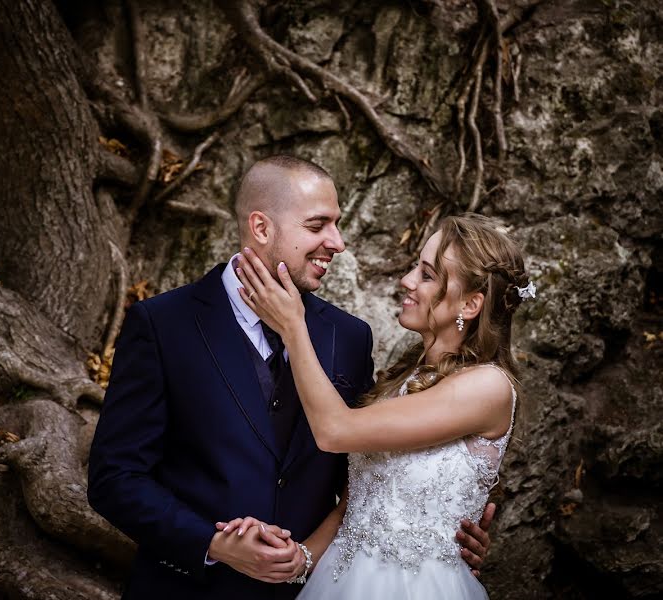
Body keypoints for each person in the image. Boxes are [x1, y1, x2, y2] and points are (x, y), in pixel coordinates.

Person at [87, 156, 493, 599]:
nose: (336, 242)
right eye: (318, 225)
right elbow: (115, 479)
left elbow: (360, 471)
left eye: (336, 225)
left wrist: (441, 530)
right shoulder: (163, 324)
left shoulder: (349, 336)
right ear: (261, 228)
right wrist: (213, 544)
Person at [227, 212, 532, 598]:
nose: (406, 281)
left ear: (470, 305)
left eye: (427, 274)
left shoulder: (488, 387)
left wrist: (292, 326)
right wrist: (301, 558)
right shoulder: (403, 381)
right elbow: (356, 506)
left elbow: (335, 431)